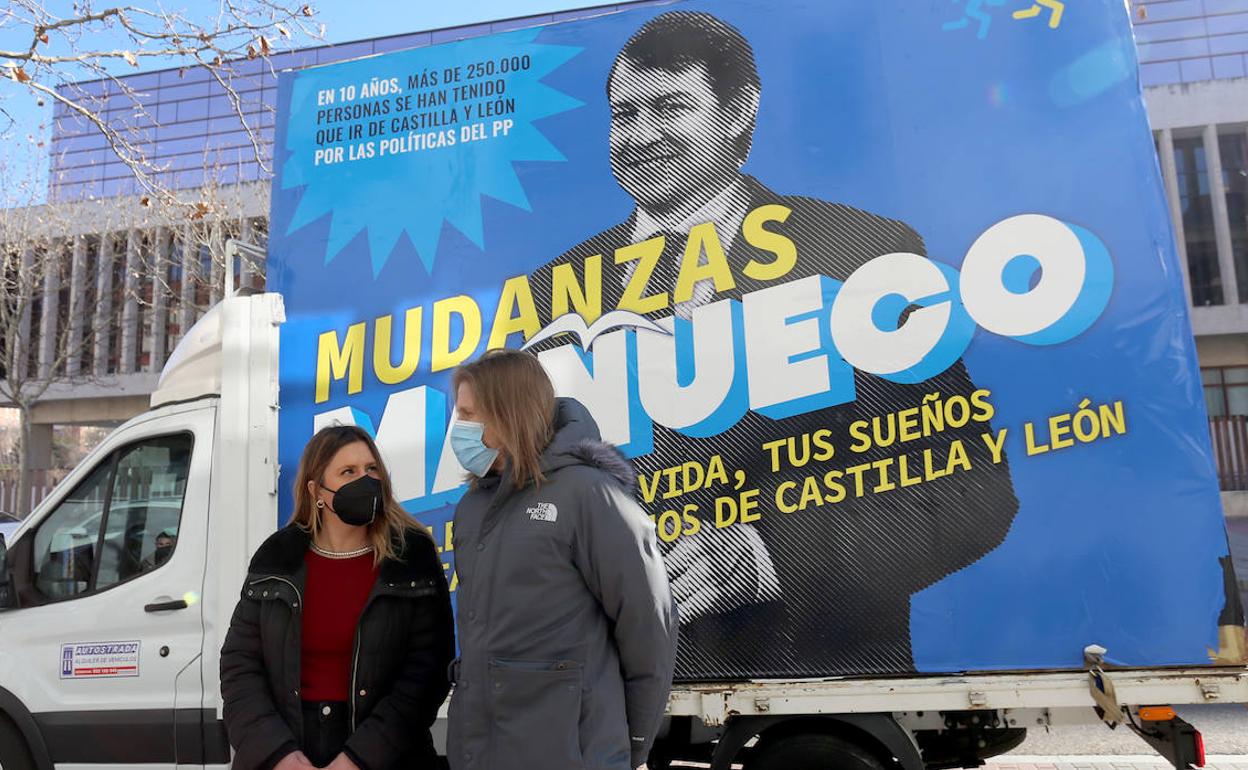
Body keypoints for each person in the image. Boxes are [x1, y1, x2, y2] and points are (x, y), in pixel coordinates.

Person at [528, 11, 1019, 678]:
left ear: (737, 113)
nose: (639, 137)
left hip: (813, 683)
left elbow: (971, 494)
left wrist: (765, 559)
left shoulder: (857, 252)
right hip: (611, 690)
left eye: (669, 107)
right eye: (623, 114)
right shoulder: (552, 290)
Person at [446, 349, 677, 770]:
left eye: (467, 414)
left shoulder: (589, 494)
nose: (457, 428)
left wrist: (633, 743)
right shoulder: (471, 509)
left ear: (508, 414)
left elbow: (647, 627)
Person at [220, 425, 454, 770]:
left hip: (384, 757)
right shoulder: (277, 557)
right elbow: (240, 666)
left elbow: (425, 673)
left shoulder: (411, 557)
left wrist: (358, 758)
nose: (366, 480)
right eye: (349, 472)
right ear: (317, 490)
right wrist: (278, 755)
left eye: (372, 469)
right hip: (287, 751)